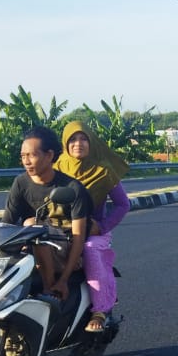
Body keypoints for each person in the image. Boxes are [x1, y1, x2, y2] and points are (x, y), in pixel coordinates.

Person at [0, 126, 93, 303]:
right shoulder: (21, 183)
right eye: (23, 156)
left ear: (49, 155)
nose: (26, 161)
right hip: (34, 245)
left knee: (33, 225)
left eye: (32, 155)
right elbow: (7, 223)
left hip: (64, 249)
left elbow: (78, 237)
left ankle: (49, 288)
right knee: (26, 230)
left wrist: (63, 280)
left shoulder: (72, 188)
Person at [53, 121, 131, 332]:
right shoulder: (57, 168)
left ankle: (100, 310)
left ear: (91, 142)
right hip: (61, 229)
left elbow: (123, 205)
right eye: (73, 139)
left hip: (92, 232)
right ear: (65, 143)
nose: (78, 144)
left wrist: (103, 226)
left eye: (83, 139)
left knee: (89, 250)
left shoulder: (103, 171)